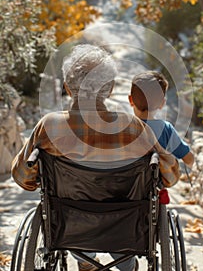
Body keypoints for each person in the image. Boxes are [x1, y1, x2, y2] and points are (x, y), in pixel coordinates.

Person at [11, 44, 159, 271]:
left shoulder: (49, 126)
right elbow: (168, 175)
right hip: (125, 225)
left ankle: (84, 260)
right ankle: (126, 263)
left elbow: (22, 177)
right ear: (109, 89)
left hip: (70, 225)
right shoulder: (135, 129)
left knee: (75, 215)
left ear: (68, 88)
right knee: (120, 216)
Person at [128, 71, 194, 169]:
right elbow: (189, 160)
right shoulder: (165, 129)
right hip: (152, 183)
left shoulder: (122, 125)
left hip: (121, 182)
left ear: (130, 100)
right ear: (162, 104)